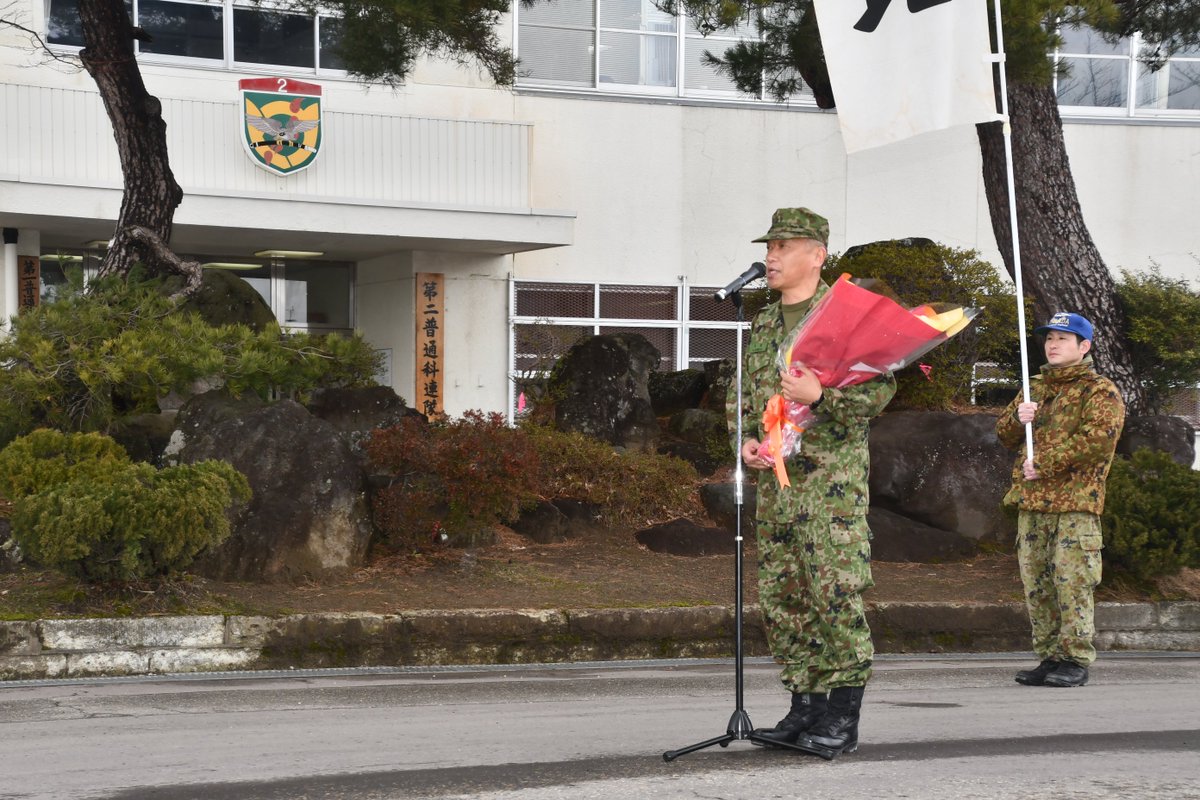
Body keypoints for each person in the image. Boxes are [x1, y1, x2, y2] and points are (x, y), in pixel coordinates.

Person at [726, 207, 895, 758]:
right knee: (785, 597)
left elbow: (878, 393)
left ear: (817, 255)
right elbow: (743, 397)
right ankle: (804, 707)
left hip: (830, 490)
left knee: (834, 595)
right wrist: (747, 441)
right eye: (769, 246)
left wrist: (822, 397)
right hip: (777, 487)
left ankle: (842, 717)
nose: (770, 256)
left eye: (783, 246)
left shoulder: (845, 317)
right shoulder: (764, 323)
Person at [996, 312, 1126, 688]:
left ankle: (1075, 659)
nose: (1052, 344)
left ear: (1084, 347)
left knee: (1072, 582)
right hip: (1033, 504)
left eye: (1063, 339)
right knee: (1036, 584)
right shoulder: (1035, 388)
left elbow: (1099, 440)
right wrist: (1019, 419)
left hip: (1074, 505)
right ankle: (1050, 656)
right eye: (1050, 338)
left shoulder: (1099, 391)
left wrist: (1046, 464)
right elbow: (1004, 435)